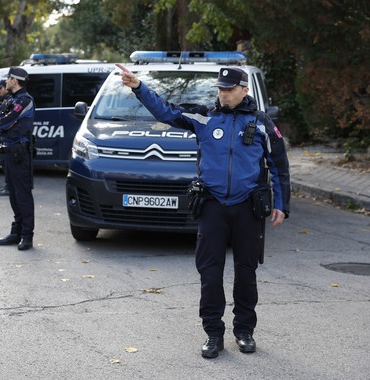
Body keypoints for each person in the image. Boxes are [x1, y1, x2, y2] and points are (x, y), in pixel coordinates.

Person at [117, 63, 291, 359]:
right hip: (212, 205)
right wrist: (138, 87)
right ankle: (213, 333)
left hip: (247, 206)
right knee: (210, 273)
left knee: (246, 272)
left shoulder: (261, 122)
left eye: (230, 89)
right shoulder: (203, 116)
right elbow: (165, 111)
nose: (223, 94)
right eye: (220, 89)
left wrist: (281, 204)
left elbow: (279, 165)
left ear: (244, 91)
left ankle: (244, 331)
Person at [0, 67, 36, 251]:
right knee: (12, 194)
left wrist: (1, 123)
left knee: (23, 195)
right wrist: (0, 122)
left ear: (15, 80)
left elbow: (4, 122)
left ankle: (27, 236)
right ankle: (16, 232)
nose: (6, 81)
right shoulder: (11, 99)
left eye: (8, 78)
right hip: (8, 151)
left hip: (19, 153)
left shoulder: (25, 100)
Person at [0, 79, 11, 197]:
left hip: (9, 138)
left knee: (8, 164)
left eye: (0, 88)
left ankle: (9, 187)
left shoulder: (9, 100)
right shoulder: (2, 100)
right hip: (3, 137)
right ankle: (7, 186)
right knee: (4, 163)